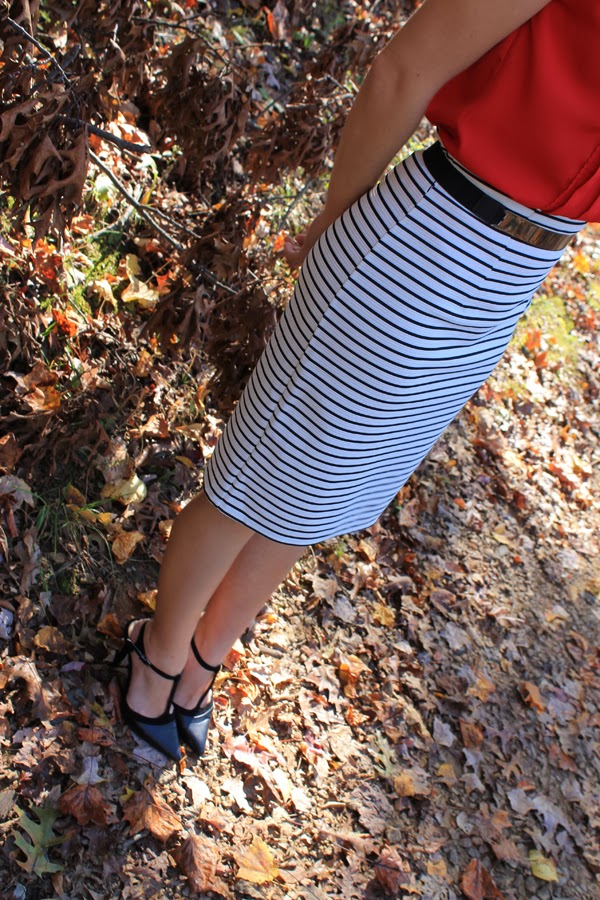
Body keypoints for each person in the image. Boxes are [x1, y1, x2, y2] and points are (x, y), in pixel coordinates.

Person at [114, 0, 599, 761]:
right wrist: (337, 222)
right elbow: (404, 68)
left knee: (325, 495)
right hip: (427, 239)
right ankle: (160, 653)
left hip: (512, 279)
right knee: (260, 479)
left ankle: (205, 659)